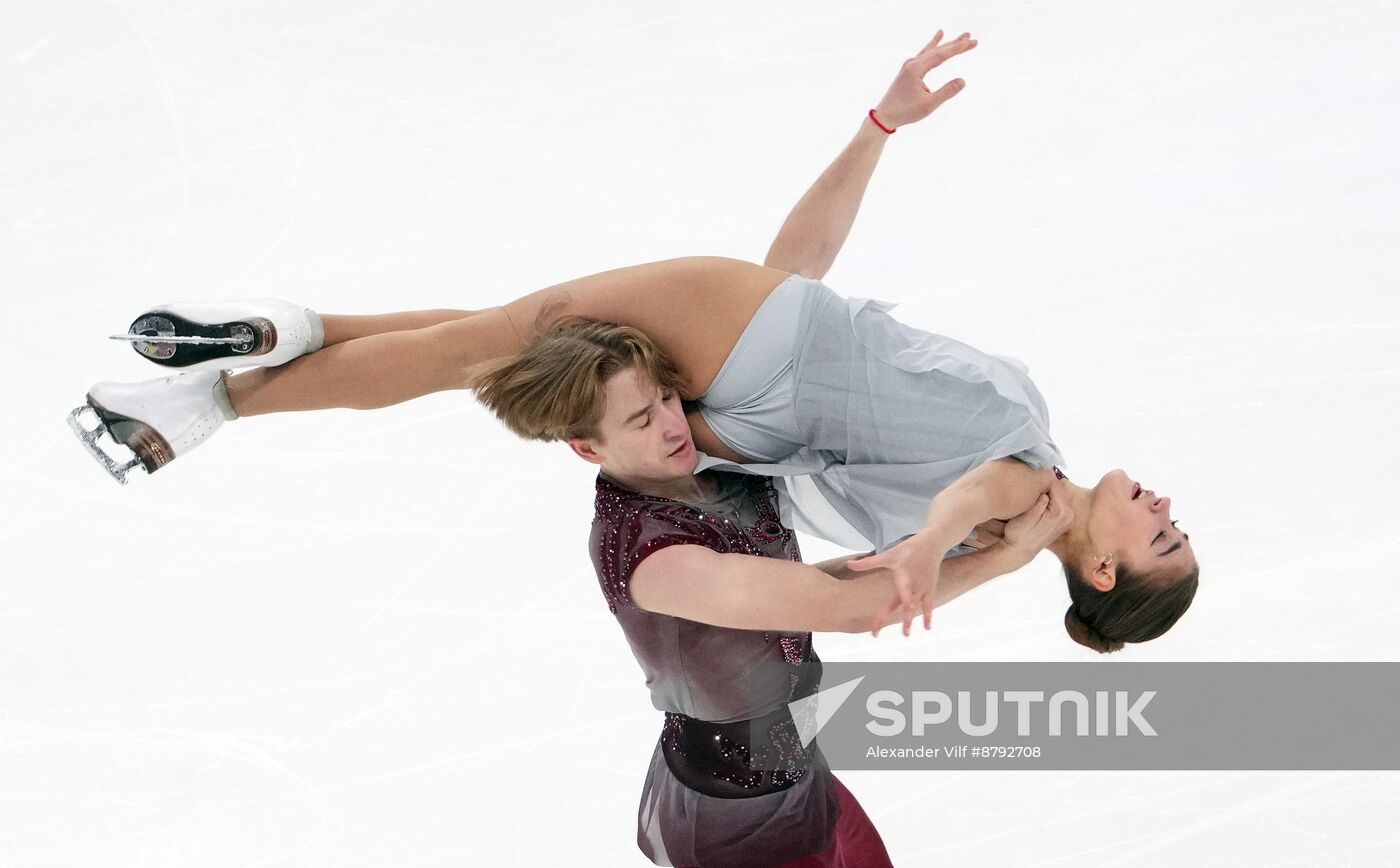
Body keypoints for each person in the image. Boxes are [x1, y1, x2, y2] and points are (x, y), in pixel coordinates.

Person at [70, 29, 1198, 652]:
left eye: (1159, 539)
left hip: (750, 341)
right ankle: (268, 349)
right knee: (489, 341)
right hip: (751, 354)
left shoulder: (1021, 478)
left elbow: (971, 479)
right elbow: (798, 279)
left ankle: (215, 394)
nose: (1161, 507)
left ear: (1097, 571)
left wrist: (956, 546)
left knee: (492, 338)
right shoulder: (972, 533)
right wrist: (874, 134)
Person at [485, 315, 1069, 865]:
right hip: (738, 823)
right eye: (641, 419)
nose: (671, 423)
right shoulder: (653, 556)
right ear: (588, 448)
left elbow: (812, 586)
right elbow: (841, 608)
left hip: (793, 764)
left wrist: (946, 542)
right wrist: (1005, 558)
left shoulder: (712, 477)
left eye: (667, 397)